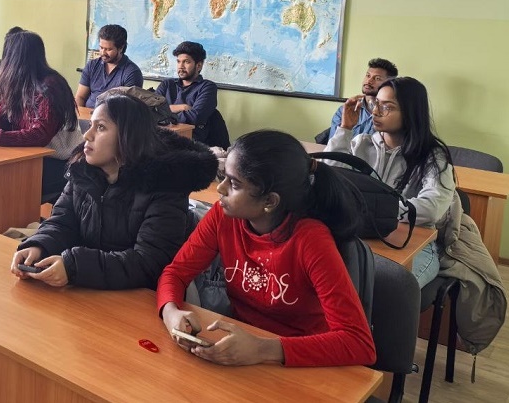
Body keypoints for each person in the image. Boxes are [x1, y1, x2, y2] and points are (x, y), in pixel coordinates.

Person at [157, 130, 376, 368]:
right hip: (243, 347)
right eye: (224, 177)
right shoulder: (223, 216)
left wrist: (263, 349)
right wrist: (170, 312)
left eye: (234, 184)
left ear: (270, 201)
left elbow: (358, 343)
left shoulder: (311, 240)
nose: (220, 188)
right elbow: (176, 273)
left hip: (303, 360)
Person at [11, 93, 218, 289]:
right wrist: (40, 246)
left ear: (128, 137)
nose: (87, 135)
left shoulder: (165, 186)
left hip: (139, 297)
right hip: (89, 286)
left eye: (100, 127)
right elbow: (62, 222)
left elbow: (149, 263)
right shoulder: (83, 171)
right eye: (90, 125)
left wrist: (75, 267)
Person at [325, 76, 456, 288]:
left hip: (415, 243)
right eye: (375, 103)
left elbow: (433, 207)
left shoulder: (432, 156)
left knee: (390, 289)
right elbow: (329, 180)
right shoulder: (361, 143)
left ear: (410, 112)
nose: (375, 112)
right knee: (333, 280)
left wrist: (378, 210)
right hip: (362, 234)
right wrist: (345, 129)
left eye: (387, 107)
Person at [0, 30, 83, 199]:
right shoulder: (17, 83)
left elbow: (39, 135)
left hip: (62, 162)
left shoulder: (51, 86)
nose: (3, 62)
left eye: (7, 56)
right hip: (31, 155)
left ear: (16, 58)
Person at [156, 41, 219, 144]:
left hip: (192, 143)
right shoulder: (167, 84)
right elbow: (151, 111)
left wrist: (164, 114)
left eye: (186, 62)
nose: (181, 66)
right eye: (178, 61)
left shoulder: (207, 87)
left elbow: (195, 117)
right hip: (163, 139)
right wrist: (182, 107)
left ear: (199, 65)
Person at [328, 58, 398, 140]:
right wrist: (345, 127)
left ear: (390, 83)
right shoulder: (345, 111)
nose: (369, 81)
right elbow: (332, 145)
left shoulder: (391, 115)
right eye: (368, 75)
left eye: (377, 78)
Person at [75, 24, 143, 108]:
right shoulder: (92, 65)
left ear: (121, 48)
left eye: (108, 49)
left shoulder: (132, 73)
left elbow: (127, 109)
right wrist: (79, 114)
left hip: (113, 115)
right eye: (101, 47)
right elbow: (80, 97)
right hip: (86, 114)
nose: (103, 53)